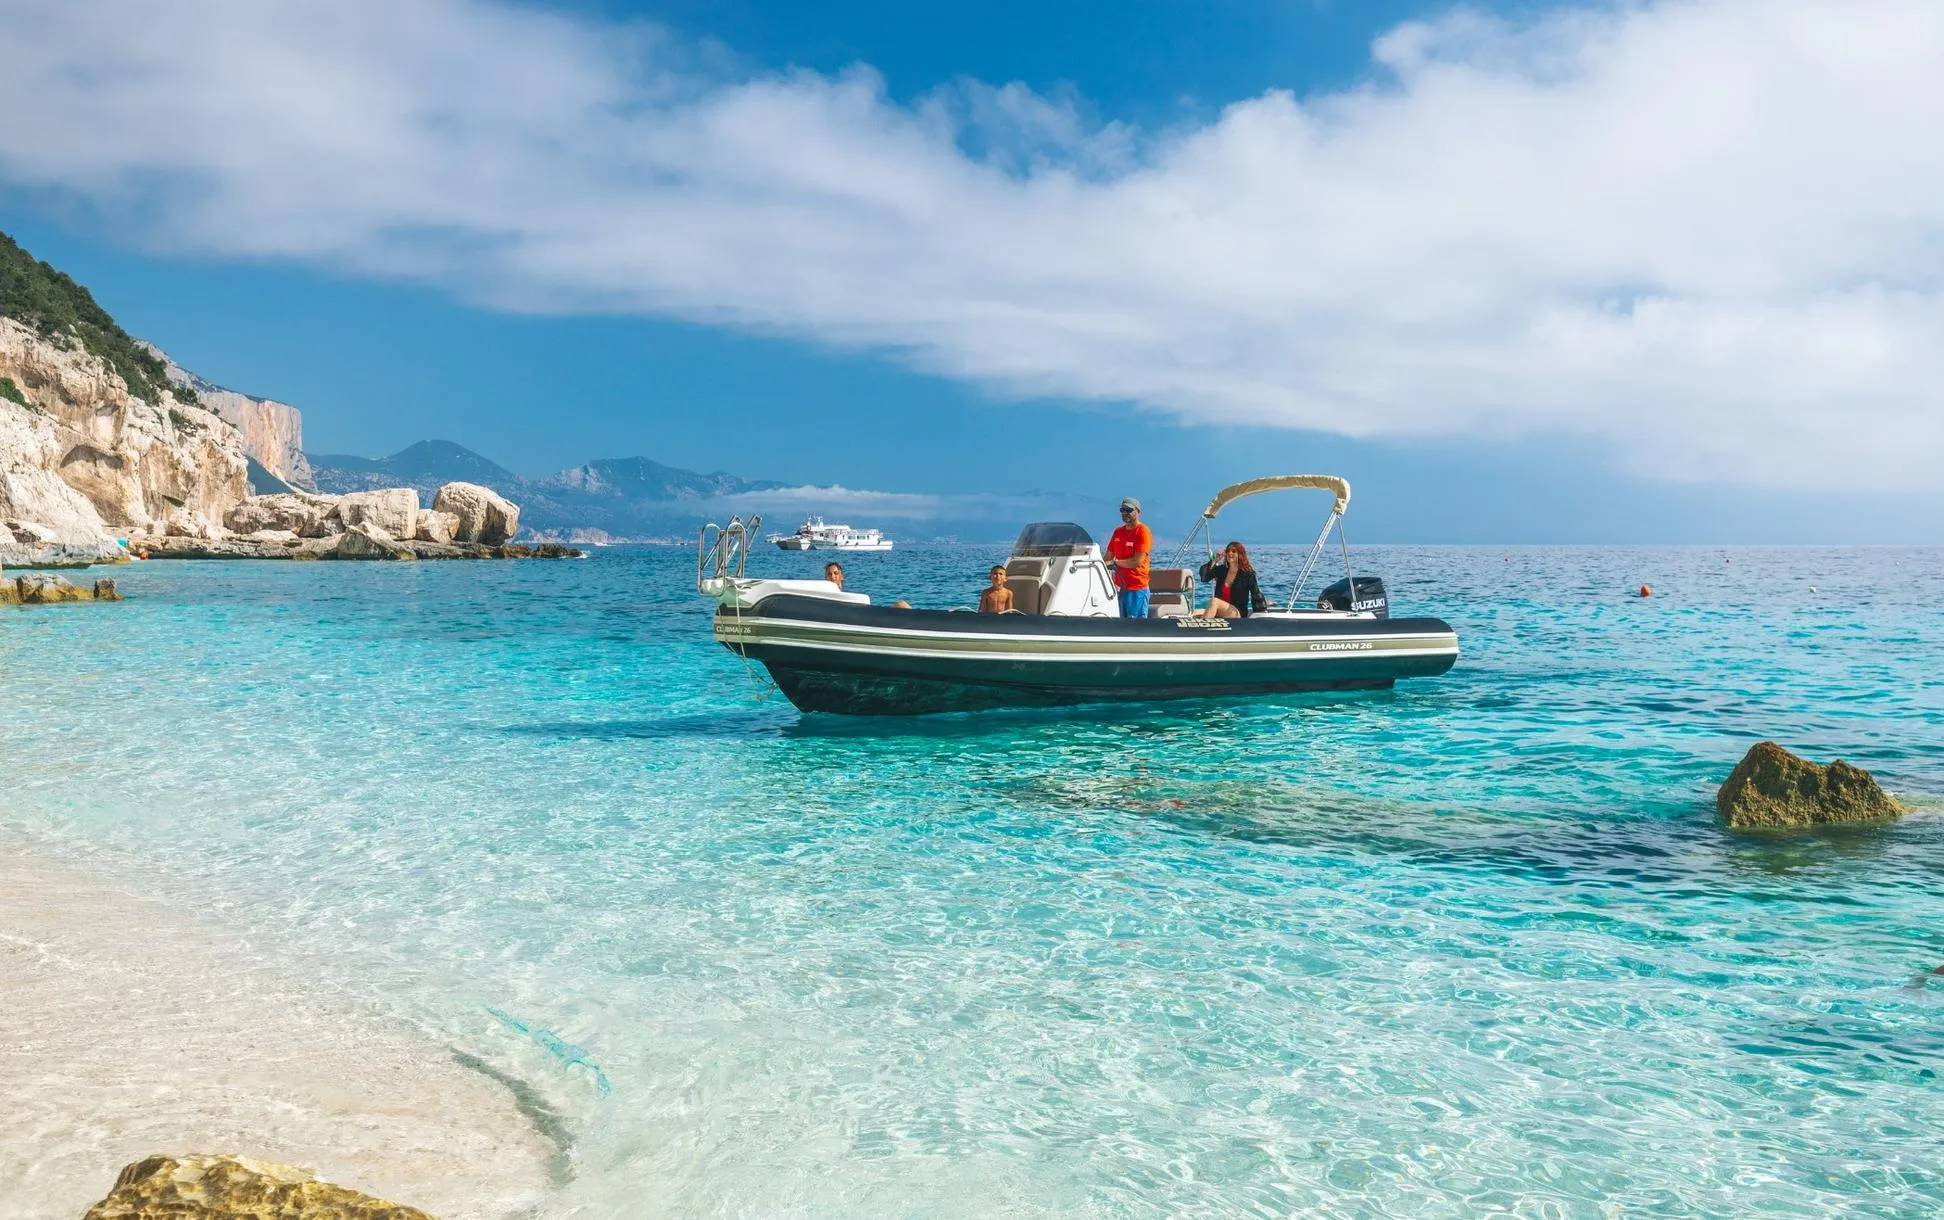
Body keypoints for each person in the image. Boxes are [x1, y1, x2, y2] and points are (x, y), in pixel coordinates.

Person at [1103, 497, 1152, 619]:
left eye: (1128, 510)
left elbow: (1136, 561)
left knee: (1136, 624)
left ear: (1137, 511)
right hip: (1119, 588)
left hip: (1137, 588)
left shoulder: (1142, 532)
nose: (1125, 513)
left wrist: (1115, 563)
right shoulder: (1118, 532)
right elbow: (1107, 557)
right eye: (1122, 510)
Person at [1195, 540, 1267, 618]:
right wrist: (1215, 560)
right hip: (1222, 610)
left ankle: (1203, 628)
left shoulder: (1248, 574)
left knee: (1214, 601)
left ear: (1240, 554)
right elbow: (1204, 577)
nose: (1230, 553)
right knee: (1196, 612)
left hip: (1237, 612)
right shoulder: (1221, 570)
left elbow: (1255, 594)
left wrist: (1261, 613)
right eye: (1228, 551)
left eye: (1233, 551)